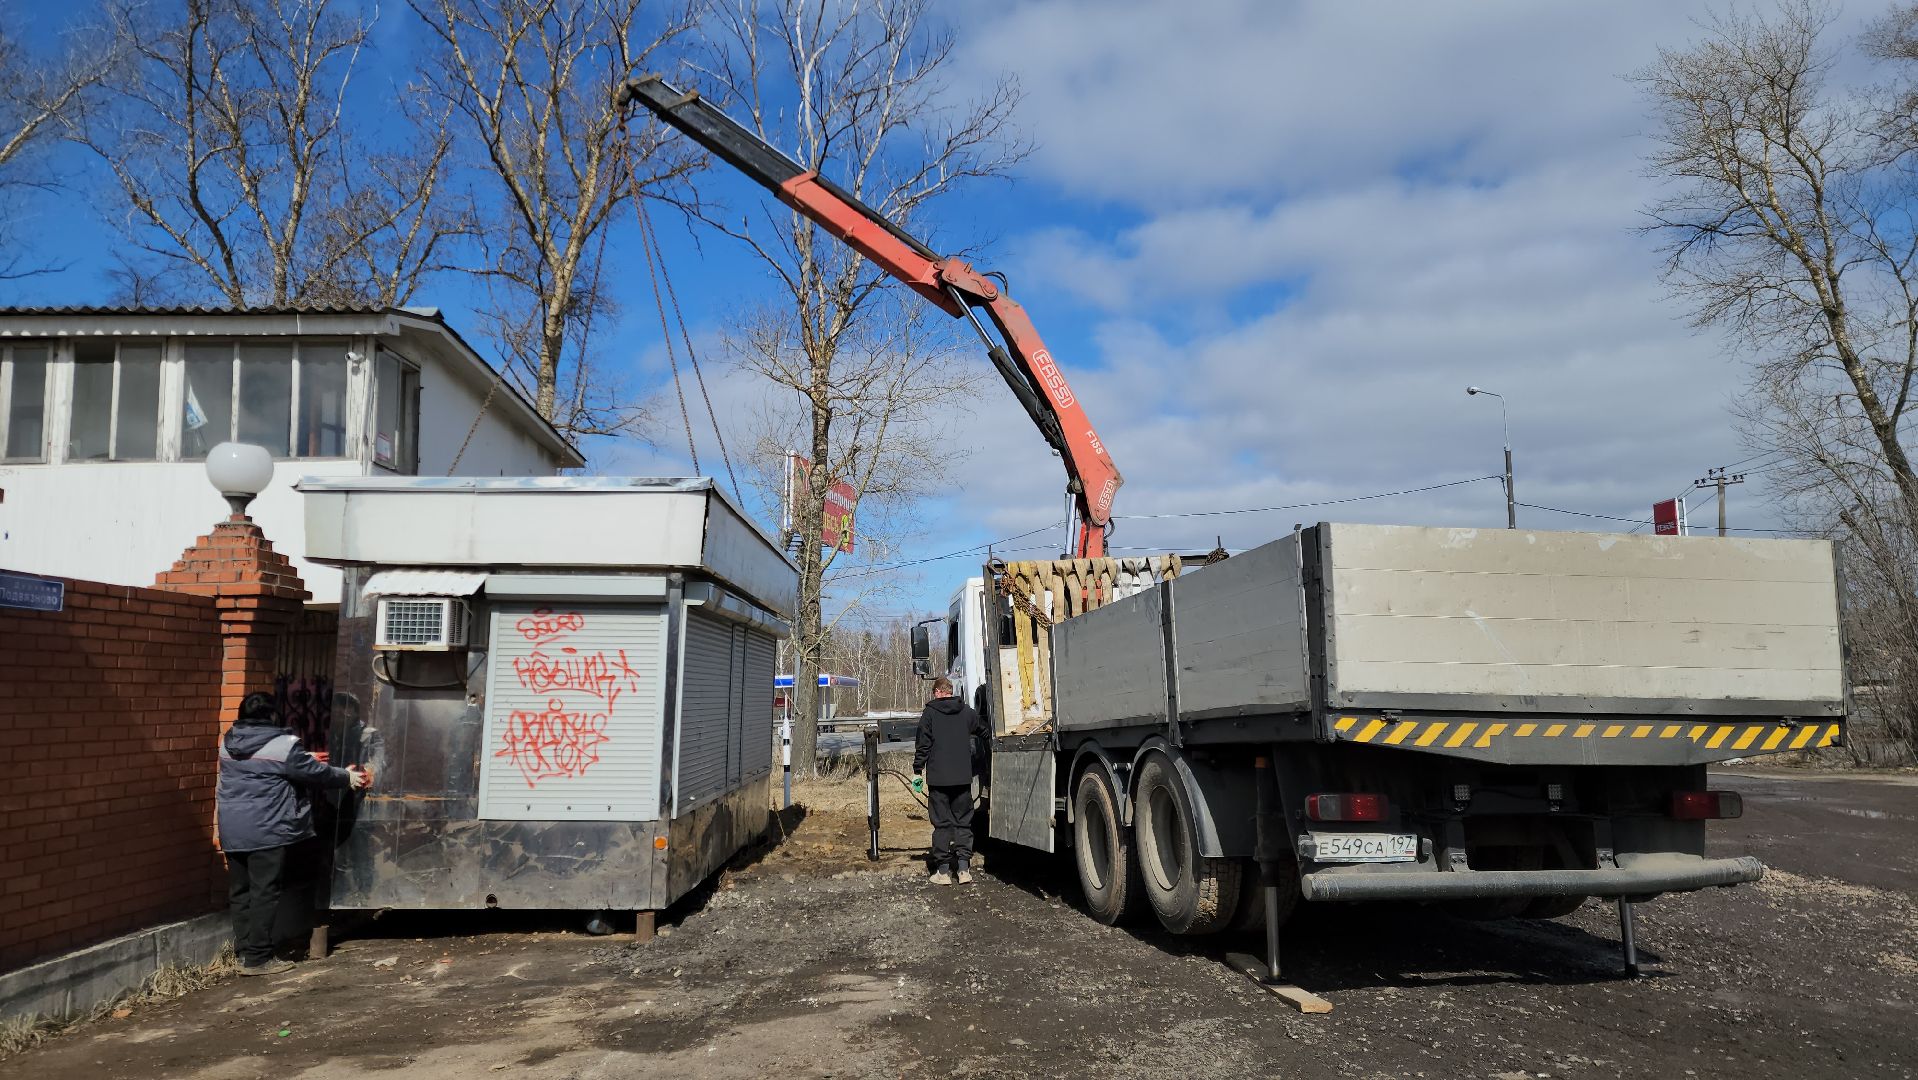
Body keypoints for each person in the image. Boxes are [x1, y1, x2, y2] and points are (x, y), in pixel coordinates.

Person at [217, 692, 368, 976]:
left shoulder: (228, 742)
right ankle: (259, 959)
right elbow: (317, 775)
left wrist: (300, 759)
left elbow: (263, 765)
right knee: (264, 892)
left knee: (241, 891)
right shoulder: (284, 746)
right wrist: (346, 777)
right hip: (267, 829)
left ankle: (243, 953)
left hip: (232, 828)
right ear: (273, 715)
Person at [912, 677, 988, 886]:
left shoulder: (930, 714)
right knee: (963, 822)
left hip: (938, 780)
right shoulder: (966, 712)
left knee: (942, 824)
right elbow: (984, 730)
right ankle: (963, 870)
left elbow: (923, 744)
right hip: (963, 778)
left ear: (937, 692)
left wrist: (917, 771)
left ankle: (943, 872)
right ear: (950, 691)